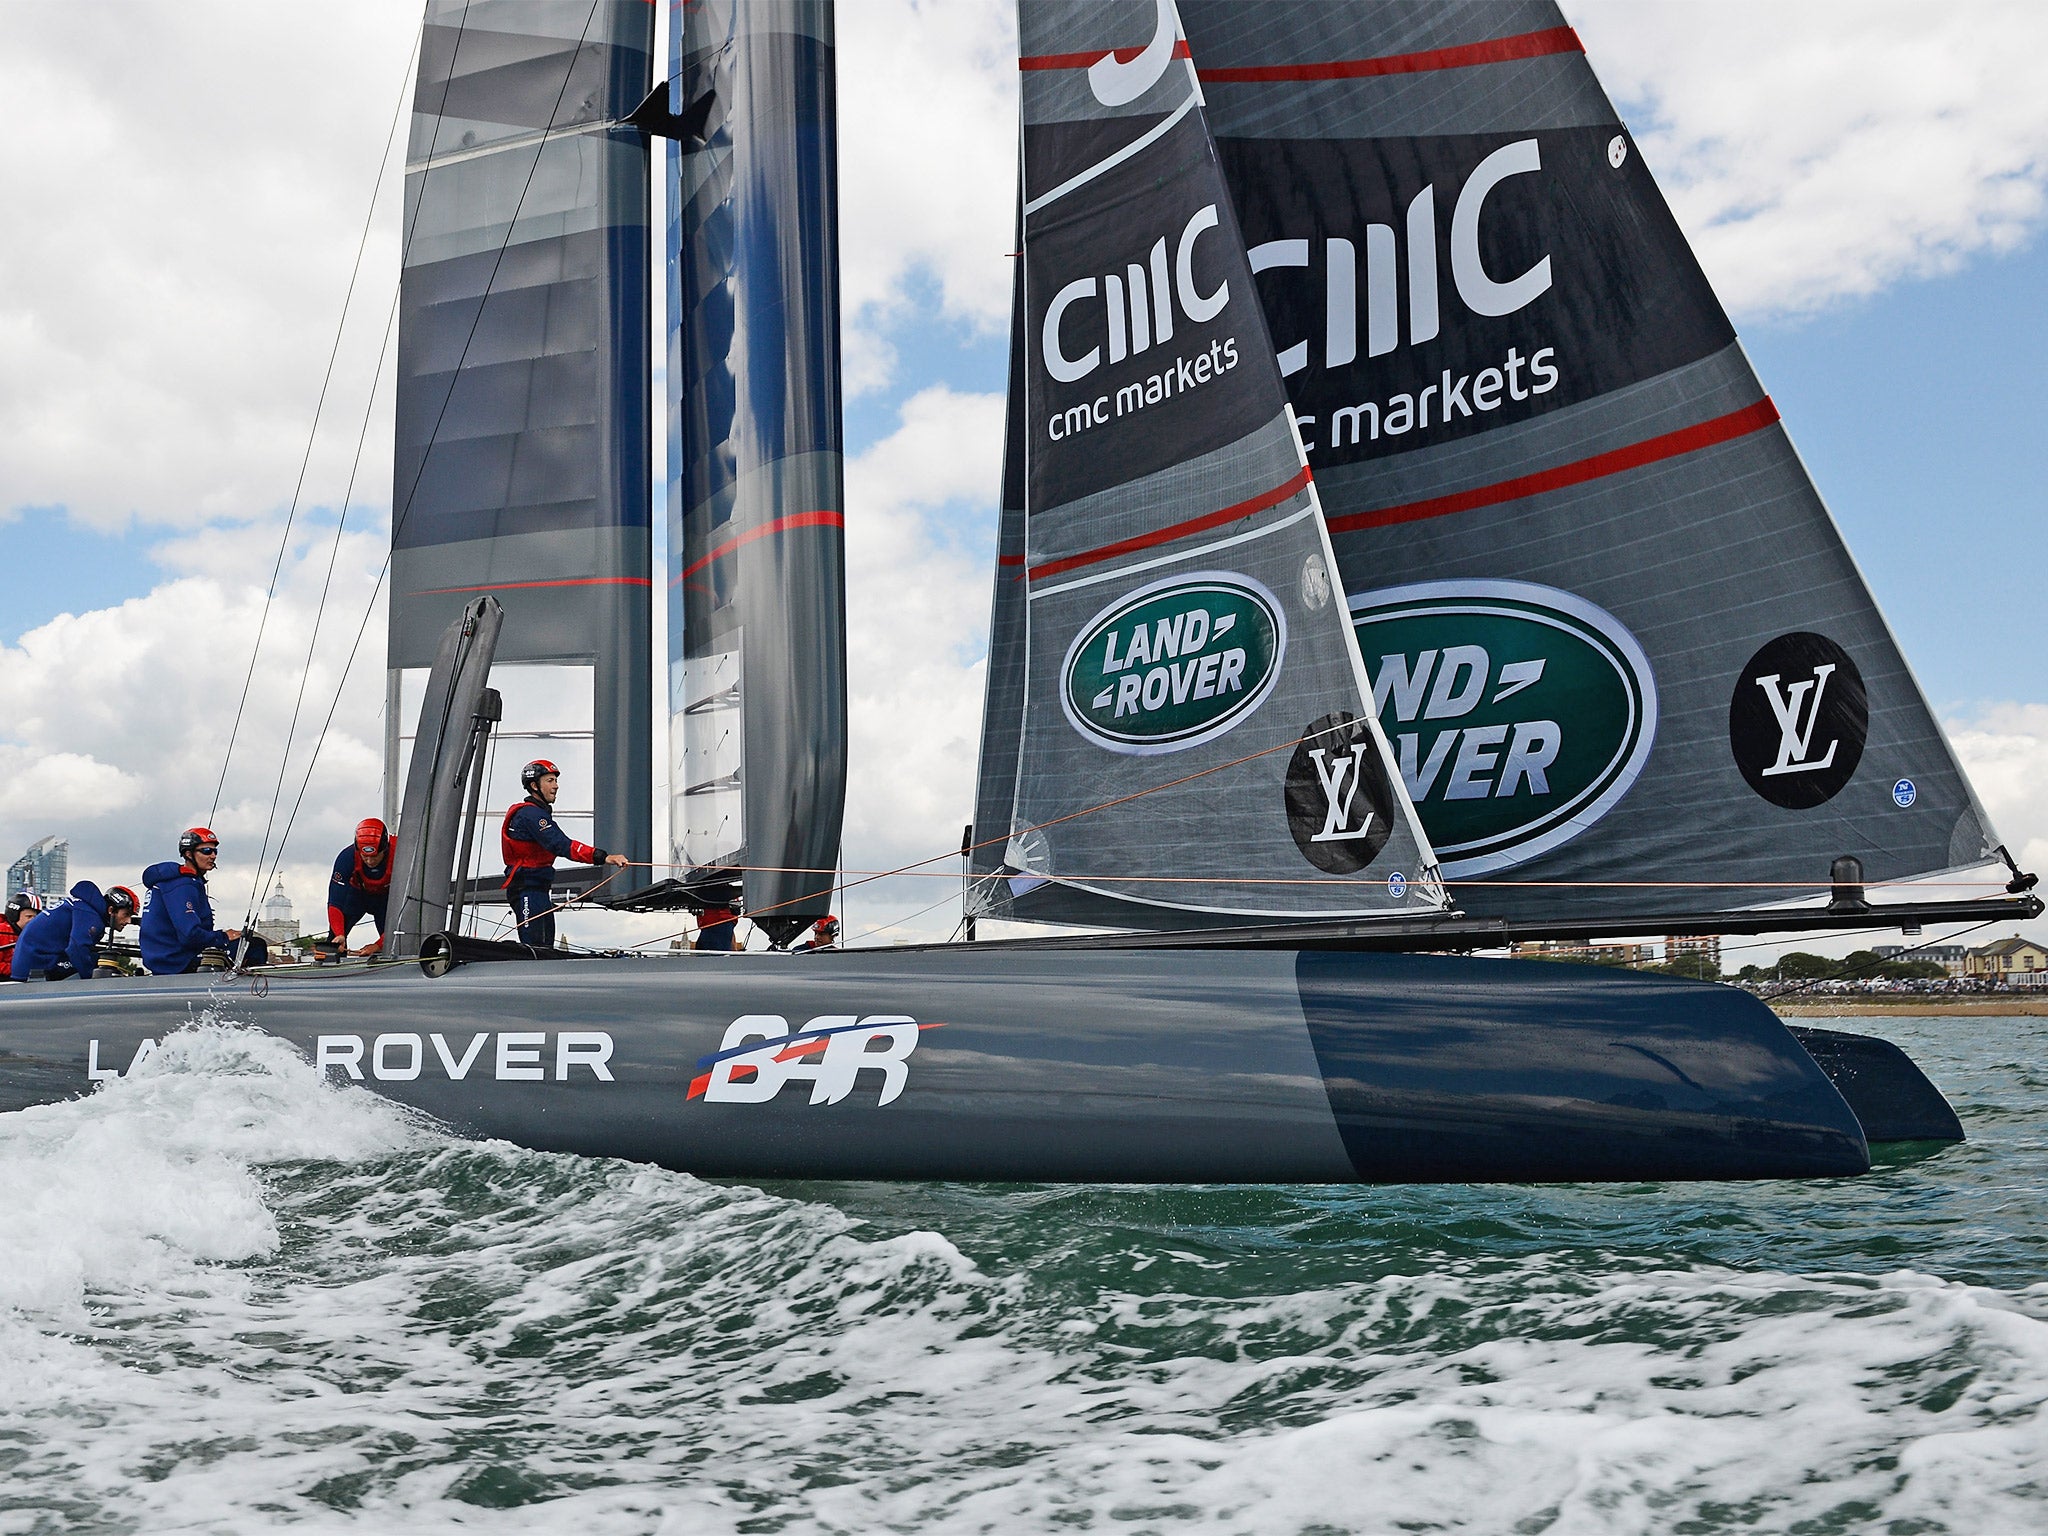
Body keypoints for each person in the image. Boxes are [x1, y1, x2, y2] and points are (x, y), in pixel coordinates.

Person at [502, 760, 628, 947]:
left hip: (539, 889)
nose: (556, 785)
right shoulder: (531, 815)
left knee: (545, 948)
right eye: (550, 780)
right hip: (527, 890)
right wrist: (604, 857)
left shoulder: (538, 813)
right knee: (534, 948)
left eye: (555, 781)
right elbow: (560, 844)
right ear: (534, 786)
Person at [139, 827, 256, 975]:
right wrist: (224, 936)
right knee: (253, 945)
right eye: (206, 851)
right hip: (177, 961)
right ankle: (250, 991)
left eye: (215, 851)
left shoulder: (179, 881)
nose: (213, 856)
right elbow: (190, 935)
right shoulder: (183, 885)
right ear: (188, 854)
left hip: (166, 958)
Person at [13, 882, 137, 981]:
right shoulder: (91, 916)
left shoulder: (83, 906)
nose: (128, 920)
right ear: (111, 910)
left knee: (95, 960)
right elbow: (77, 948)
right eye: (126, 914)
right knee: (96, 965)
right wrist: (91, 980)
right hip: (36, 964)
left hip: (29, 960)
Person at [329, 817, 395, 955]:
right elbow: (335, 903)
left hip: (387, 899)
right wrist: (339, 934)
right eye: (365, 857)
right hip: (357, 896)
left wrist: (377, 945)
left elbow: (403, 917)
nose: (370, 861)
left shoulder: (400, 855)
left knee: (396, 941)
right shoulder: (346, 858)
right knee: (334, 942)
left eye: (375, 856)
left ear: (385, 849)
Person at [0, 892, 40, 979]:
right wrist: (20, 969)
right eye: (28, 916)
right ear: (14, 915)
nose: (33, 921)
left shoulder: (34, 935)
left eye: (35, 917)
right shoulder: (2, 932)